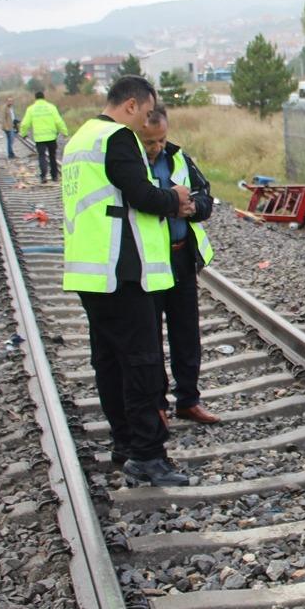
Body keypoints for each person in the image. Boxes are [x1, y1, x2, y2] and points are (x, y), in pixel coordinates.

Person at [62, 75, 197, 487]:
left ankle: (124, 443)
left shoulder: (79, 138)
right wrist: (175, 199)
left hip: (90, 269)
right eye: (146, 110)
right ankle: (147, 455)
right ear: (133, 105)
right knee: (140, 360)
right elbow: (140, 194)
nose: (145, 122)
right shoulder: (117, 137)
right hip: (122, 269)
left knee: (109, 360)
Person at [138, 103, 220, 424]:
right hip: (148, 261)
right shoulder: (129, 163)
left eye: (161, 140)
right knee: (149, 337)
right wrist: (168, 202)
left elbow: (205, 196)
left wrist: (191, 208)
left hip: (181, 255)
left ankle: (188, 399)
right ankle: (157, 403)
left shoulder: (179, 158)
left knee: (186, 334)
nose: (156, 147)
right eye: (150, 142)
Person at [19, 90, 69, 183]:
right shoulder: (51, 107)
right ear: (44, 98)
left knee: (42, 156)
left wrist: (23, 133)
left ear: (36, 98)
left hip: (39, 138)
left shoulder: (31, 109)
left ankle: (43, 176)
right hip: (51, 137)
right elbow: (58, 121)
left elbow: (25, 124)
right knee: (52, 156)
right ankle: (54, 176)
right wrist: (65, 132)